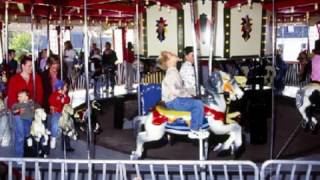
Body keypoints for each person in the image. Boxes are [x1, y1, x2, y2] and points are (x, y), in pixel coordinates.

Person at [158, 51, 209, 139]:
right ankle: (194, 130)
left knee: (198, 101)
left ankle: (198, 126)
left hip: (175, 99)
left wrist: (189, 93)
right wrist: (187, 95)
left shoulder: (174, 71)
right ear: (168, 61)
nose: (174, 54)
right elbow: (175, 90)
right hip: (173, 101)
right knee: (197, 104)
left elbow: (180, 88)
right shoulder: (171, 73)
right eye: (172, 54)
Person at [11, 90, 40, 157]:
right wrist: (18, 111)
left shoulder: (31, 103)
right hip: (20, 121)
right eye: (18, 97)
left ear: (26, 97)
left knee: (27, 135)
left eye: (20, 96)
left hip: (29, 122)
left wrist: (34, 109)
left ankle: (28, 138)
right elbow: (13, 110)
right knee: (20, 137)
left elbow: (38, 107)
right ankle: (19, 156)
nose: (18, 98)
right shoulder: (17, 104)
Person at [49, 80, 72, 151]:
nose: (67, 88)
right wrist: (53, 106)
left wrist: (64, 96)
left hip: (64, 113)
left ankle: (71, 133)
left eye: (67, 87)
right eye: (65, 87)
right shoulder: (54, 94)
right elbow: (51, 101)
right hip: (57, 112)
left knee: (70, 122)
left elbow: (67, 101)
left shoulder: (66, 96)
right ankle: (53, 137)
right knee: (55, 123)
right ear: (61, 88)